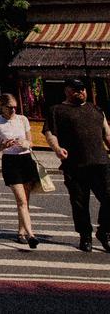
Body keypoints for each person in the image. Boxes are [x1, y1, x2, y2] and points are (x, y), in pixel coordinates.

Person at [43, 76, 110, 252]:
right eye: (76, 89)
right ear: (67, 90)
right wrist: (56, 148)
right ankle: (85, 236)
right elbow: (50, 133)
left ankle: (104, 231)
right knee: (80, 203)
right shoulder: (57, 110)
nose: (81, 92)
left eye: (83, 89)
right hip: (74, 165)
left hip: (101, 163)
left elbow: (107, 134)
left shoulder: (96, 109)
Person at [0, 93, 41, 248]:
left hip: (25, 159)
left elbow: (31, 141)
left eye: (15, 107)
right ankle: (31, 235)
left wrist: (26, 143)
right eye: (9, 107)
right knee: (21, 200)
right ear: (1, 106)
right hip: (10, 162)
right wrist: (5, 145)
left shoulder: (22, 119)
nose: (12, 110)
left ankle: (21, 232)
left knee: (25, 201)